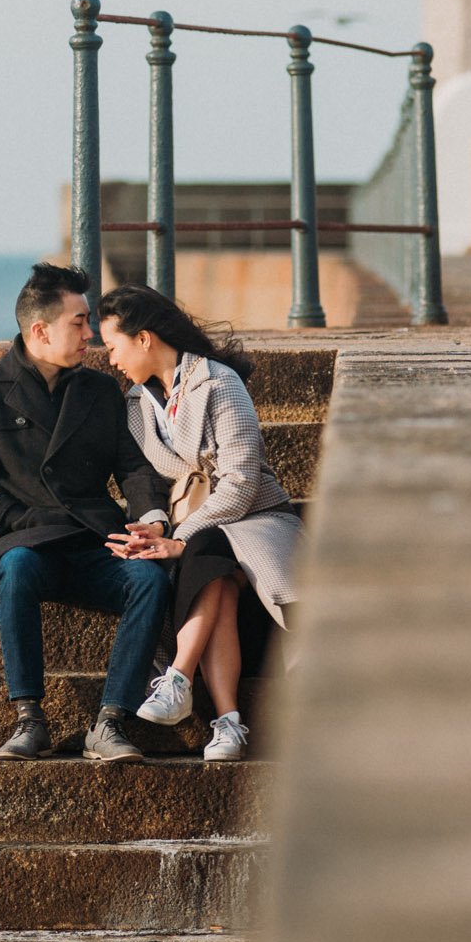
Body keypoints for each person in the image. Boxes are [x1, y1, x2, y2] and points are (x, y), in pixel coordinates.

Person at [0, 263, 172, 763]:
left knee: (151, 581)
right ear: (40, 330)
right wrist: (20, 522)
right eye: (79, 322)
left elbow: (132, 468)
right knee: (17, 569)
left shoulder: (101, 391)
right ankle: (29, 720)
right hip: (30, 542)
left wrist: (151, 521)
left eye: (89, 322)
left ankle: (110, 723)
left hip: (97, 541)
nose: (91, 334)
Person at [96, 284, 300, 762]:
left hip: (256, 519)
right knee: (212, 573)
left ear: (143, 338)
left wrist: (180, 538)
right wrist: (157, 528)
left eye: (113, 347)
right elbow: (146, 479)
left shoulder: (219, 382)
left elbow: (242, 480)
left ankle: (179, 680)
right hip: (200, 532)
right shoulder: (137, 406)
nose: (110, 360)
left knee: (205, 552)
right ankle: (228, 723)